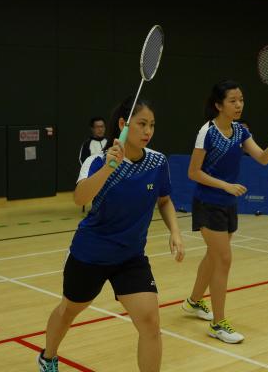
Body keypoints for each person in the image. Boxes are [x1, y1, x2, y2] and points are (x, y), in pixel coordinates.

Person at [38, 97, 185, 372]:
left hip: (130, 257)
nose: (148, 131)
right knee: (69, 310)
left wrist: (175, 231)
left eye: (152, 125)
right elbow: (79, 197)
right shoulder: (97, 161)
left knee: (150, 323)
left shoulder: (157, 161)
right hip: (90, 254)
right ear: (123, 125)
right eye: (141, 124)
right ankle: (48, 356)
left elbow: (164, 200)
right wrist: (108, 167)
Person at [181, 80, 268, 344]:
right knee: (224, 259)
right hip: (208, 203)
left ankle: (194, 301)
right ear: (219, 105)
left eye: (241, 99)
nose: (239, 104)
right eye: (232, 100)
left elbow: (263, 158)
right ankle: (218, 324)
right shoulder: (206, 132)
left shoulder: (240, 131)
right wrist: (226, 186)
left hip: (228, 204)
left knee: (214, 256)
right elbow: (193, 172)